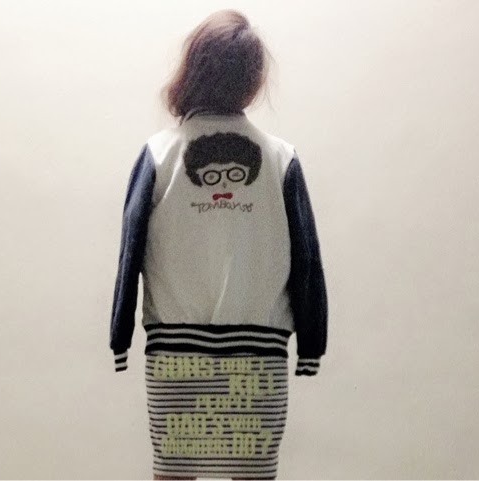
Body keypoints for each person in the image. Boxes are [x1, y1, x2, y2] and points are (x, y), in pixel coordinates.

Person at [109, 8, 328, 481]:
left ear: (192, 67)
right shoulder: (281, 159)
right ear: (253, 80)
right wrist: (312, 343)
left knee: (173, 472)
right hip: (259, 354)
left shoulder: (159, 154)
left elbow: (130, 251)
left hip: (175, 352)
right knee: (254, 472)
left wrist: (119, 337)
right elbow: (306, 259)